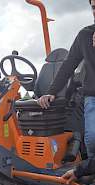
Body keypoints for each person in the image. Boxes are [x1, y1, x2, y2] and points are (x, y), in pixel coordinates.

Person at [37, 0, 95, 157]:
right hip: (93, 96)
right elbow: (68, 65)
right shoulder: (85, 35)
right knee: (92, 139)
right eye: (94, 8)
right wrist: (51, 91)